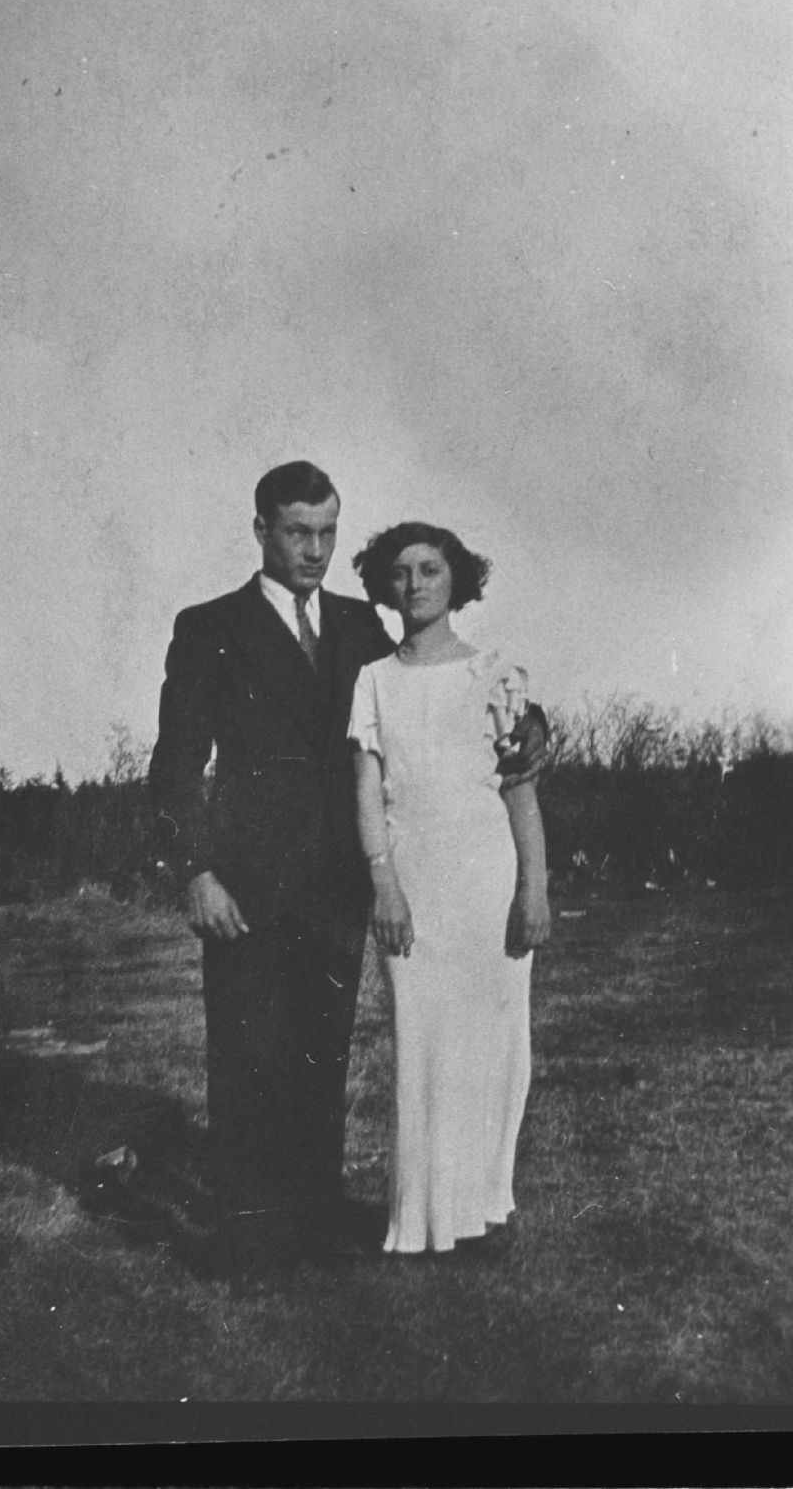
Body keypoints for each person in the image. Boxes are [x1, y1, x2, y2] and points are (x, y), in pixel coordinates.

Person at [149, 465, 548, 1284]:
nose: (315, 549)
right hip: (247, 885)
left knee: (319, 1059)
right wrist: (195, 871)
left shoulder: (358, 625)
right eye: (298, 532)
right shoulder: (210, 627)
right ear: (261, 530)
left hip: (337, 886)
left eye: (328, 532)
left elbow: (440, 680)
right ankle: (249, 1242)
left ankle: (314, 1225)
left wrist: (533, 725)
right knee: (249, 1056)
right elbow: (177, 762)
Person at [348, 521, 550, 1257]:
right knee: (425, 1043)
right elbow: (367, 793)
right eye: (400, 572)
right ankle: (424, 1219)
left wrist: (534, 888)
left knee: (496, 1043)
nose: (415, 584)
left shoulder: (494, 675)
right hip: (413, 885)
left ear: (456, 579)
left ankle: (485, 1207)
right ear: (384, 585)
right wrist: (384, 884)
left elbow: (520, 792)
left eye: (431, 569)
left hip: (487, 880)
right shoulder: (373, 680)